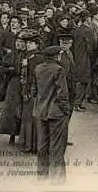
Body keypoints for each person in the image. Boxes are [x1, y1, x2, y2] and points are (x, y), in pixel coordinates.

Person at [33, 46, 70, 184]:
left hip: (41, 111)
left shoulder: (38, 68)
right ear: (56, 56)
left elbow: (34, 90)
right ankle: (57, 179)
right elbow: (62, 94)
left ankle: (42, 176)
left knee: (42, 145)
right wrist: (66, 110)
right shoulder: (59, 70)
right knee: (57, 146)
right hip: (56, 112)